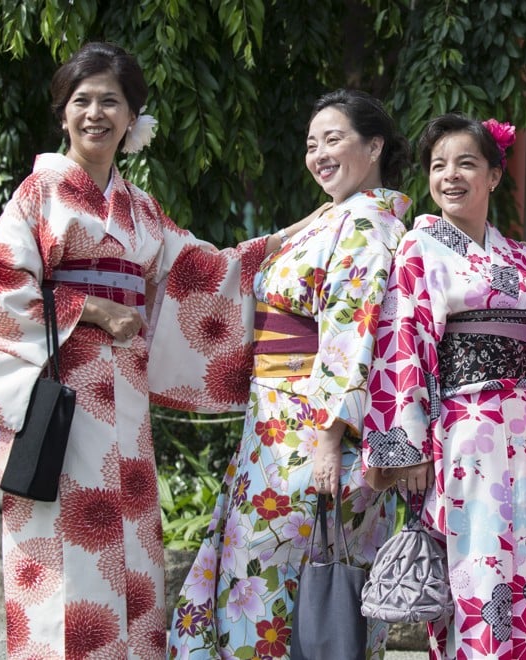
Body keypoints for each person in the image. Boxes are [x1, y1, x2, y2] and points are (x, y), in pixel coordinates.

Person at [0, 41, 311, 658]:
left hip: (124, 399)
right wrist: (90, 309)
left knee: (130, 543)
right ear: (63, 113)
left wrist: (285, 241)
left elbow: (203, 274)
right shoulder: (37, 193)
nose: (95, 113)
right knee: (66, 546)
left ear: (133, 118)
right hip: (59, 398)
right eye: (82, 100)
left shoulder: (141, 209)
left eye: (111, 101)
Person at [167, 88, 412, 659]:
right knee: (262, 575)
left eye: (334, 139)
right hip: (279, 424)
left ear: (374, 145)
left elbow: (350, 335)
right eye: (311, 144)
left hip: (312, 436)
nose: (319, 154)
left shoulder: (367, 226)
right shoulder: (335, 219)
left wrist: (330, 437)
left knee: (275, 580)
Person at [361, 113, 526, 659]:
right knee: (480, 563)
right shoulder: (420, 248)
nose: (450, 176)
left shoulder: (522, 258)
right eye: (438, 165)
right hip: (468, 429)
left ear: (494, 175)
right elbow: (404, 341)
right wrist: (408, 447)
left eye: (466, 163)